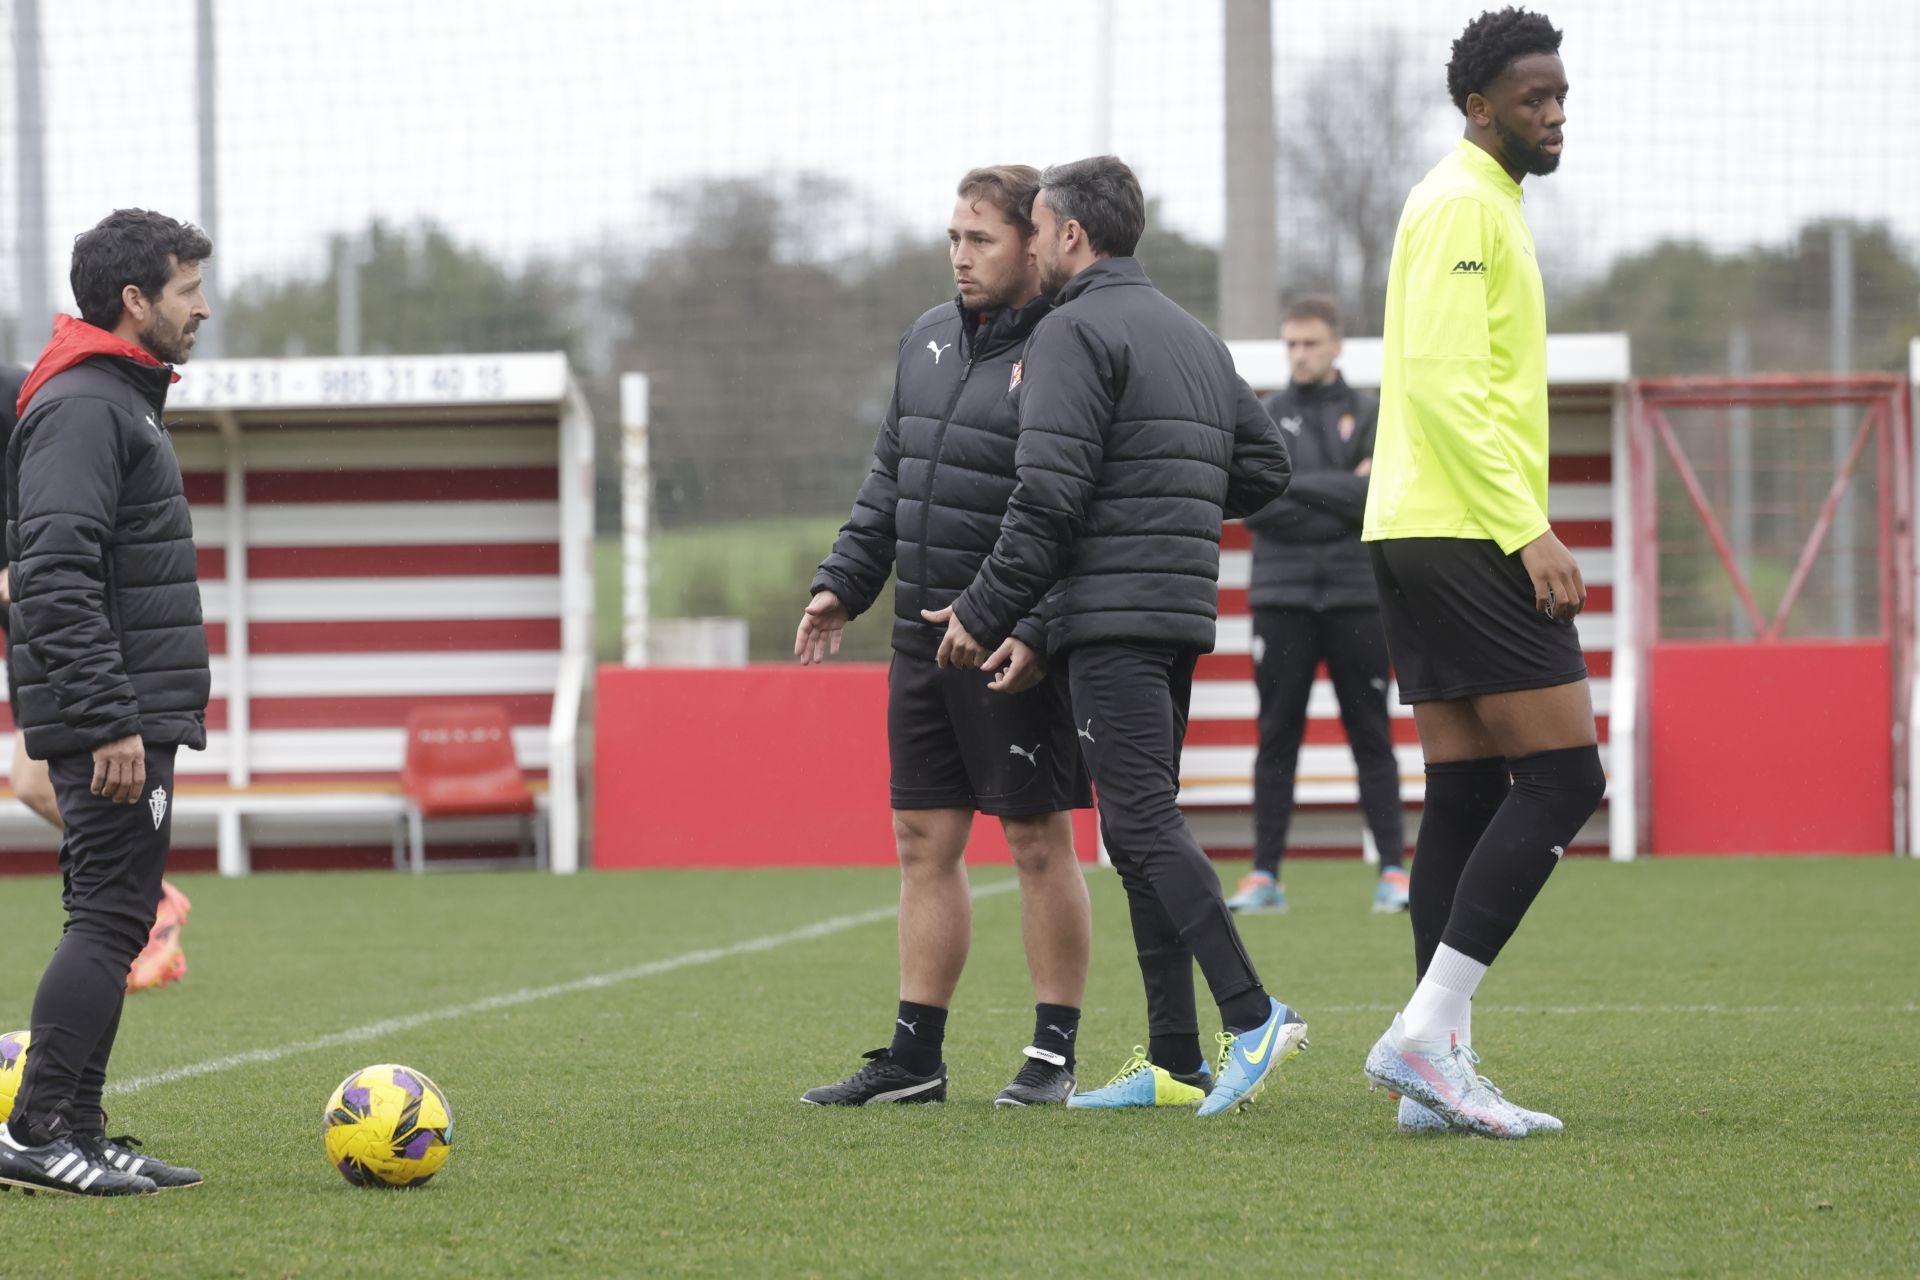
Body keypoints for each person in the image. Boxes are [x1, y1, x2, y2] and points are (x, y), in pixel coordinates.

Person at [929, 156, 1304, 1117]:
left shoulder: (1069, 332)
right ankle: (1176, 1062)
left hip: (1115, 620)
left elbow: (1046, 496)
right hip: (1171, 613)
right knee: (1141, 831)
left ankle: (1255, 1016)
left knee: (1138, 825)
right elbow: (1266, 467)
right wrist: (1163, 506)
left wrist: (983, 609)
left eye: (1039, 226)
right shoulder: (1191, 333)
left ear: (1069, 237)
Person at [796, 167, 1095, 1108]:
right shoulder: (924, 336)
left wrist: (1038, 623)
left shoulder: (1068, 345)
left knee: (1038, 840)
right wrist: (844, 583)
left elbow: (1077, 508)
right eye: (954, 239)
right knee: (923, 837)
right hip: (921, 637)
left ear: (1033, 243)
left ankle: (1052, 1055)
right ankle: (914, 1058)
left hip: (1013, 642)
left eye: (982, 240)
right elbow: (891, 474)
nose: (961, 257)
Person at [1357, 8, 1606, 1138]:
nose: (1554, 115)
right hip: (1463, 529)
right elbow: (1450, 389)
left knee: (1462, 788)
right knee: (1563, 776)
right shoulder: (1463, 203)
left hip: (1417, 528)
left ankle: (1433, 1071)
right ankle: (1428, 1028)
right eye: (1533, 99)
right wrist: (1529, 528)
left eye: (1560, 97)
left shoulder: (1476, 201)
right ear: (1479, 108)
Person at [0, 209, 214, 1194]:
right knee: (106, 917)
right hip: (114, 715)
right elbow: (53, 569)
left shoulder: (115, 398)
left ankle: (78, 1128)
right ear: (135, 301)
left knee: (117, 914)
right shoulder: (87, 403)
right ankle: (43, 1131)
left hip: (129, 705)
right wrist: (109, 716)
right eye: (186, 290)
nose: (202, 307)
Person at [1226, 296, 1409, 916]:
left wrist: (1297, 489)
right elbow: (1258, 505)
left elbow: (1378, 502)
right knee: (1277, 736)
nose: (1299, 354)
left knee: (1372, 735)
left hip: (1359, 597)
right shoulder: (1266, 414)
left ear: (1336, 347)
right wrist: (1342, 491)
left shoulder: (1372, 413)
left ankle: (1392, 871)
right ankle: (1264, 876)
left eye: (1310, 343)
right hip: (1281, 600)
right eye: (1291, 344)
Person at [0, 363, 63, 833]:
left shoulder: (19, 392)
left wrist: (21, 567)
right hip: (20, 633)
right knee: (30, 783)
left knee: (36, 780)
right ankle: (147, 887)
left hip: (55, 621)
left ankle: (142, 884)